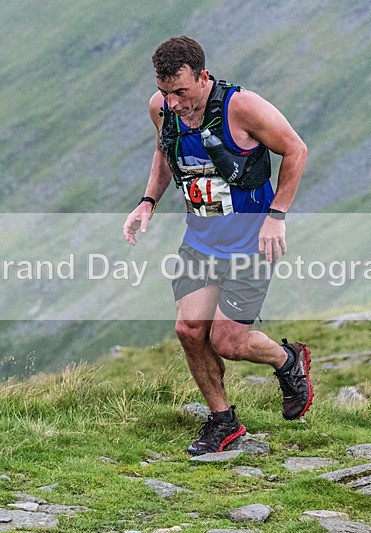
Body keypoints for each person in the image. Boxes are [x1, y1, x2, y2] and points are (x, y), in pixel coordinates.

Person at [123, 35, 311, 455]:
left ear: (203, 76)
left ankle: (288, 361)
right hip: (200, 241)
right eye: (165, 92)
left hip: (249, 244)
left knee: (228, 342)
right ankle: (224, 422)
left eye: (182, 92)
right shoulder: (162, 109)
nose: (173, 102)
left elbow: (296, 150)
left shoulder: (240, 107)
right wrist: (147, 201)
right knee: (189, 331)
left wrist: (276, 216)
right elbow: (164, 152)